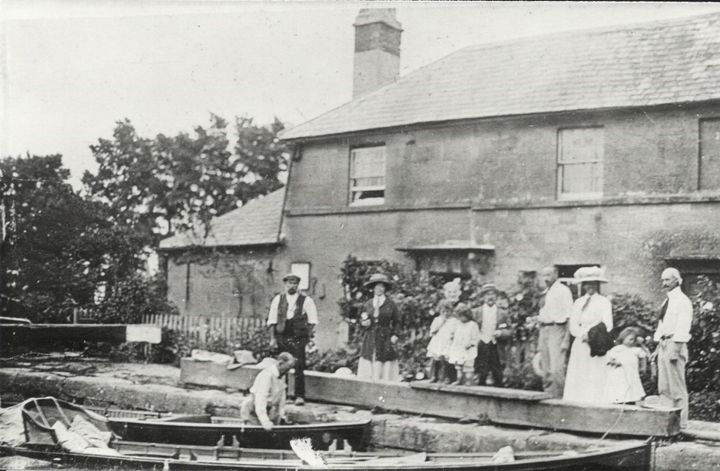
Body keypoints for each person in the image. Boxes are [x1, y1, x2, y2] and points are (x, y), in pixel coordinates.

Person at [563, 267, 613, 403]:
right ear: (583, 285)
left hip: (596, 342)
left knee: (595, 371)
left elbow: (608, 324)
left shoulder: (604, 302)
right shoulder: (578, 303)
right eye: (587, 283)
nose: (590, 286)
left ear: (597, 285)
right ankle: (576, 402)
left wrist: (591, 335)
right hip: (580, 342)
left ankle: (595, 402)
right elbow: (573, 324)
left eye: (593, 283)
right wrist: (581, 335)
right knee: (580, 372)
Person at [267, 273, 318, 406]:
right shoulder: (278, 299)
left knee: (298, 364)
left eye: (294, 283)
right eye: (289, 283)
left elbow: (313, 321)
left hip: (298, 337)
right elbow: (272, 320)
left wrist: (307, 337)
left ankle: (299, 395)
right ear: (285, 284)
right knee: (282, 365)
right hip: (282, 334)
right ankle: (283, 394)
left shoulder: (306, 300)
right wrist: (272, 339)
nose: (292, 285)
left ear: (298, 285)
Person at [651, 267, 693, 427]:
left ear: (677, 280)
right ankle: (666, 423)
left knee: (676, 386)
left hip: (675, 344)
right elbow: (662, 326)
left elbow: (683, 326)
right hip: (664, 344)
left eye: (667, 280)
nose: (664, 283)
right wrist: (657, 349)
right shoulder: (666, 301)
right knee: (664, 386)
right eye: (663, 280)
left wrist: (675, 350)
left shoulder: (683, 301)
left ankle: (680, 424)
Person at [537, 266, 574, 398]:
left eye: (549, 275)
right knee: (546, 368)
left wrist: (566, 339)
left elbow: (570, 316)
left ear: (556, 274)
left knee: (556, 368)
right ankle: (547, 397)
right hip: (544, 329)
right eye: (543, 275)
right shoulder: (547, 291)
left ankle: (559, 399)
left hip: (557, 329)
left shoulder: (563, 291)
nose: (546, 278)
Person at [357, 273, 401, 381]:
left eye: (382, 286)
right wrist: (363, 323)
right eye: (377, 286)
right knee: (369, 357)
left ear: (385, 288)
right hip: (370, 336)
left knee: (384, 359)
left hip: (385, 336)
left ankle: (383, 383)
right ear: (373, 288)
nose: (380, 289)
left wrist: (395, 334)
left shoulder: (391, 304)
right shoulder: (368, 304)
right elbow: (362, 319)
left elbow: (397, 321)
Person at [239, 352, 296, 431]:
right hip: (253, 411)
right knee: (253, 438)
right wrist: (265, 421)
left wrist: (282, 416)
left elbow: (282, 397)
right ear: (280, 363)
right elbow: (260, 400)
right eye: (287, 368)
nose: (288, 371)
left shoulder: (282, 375)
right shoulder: (267, 375)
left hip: (268, 410)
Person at [474, 284, 512, 387]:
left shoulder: (503, 313)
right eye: (487, 294)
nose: (490, 297)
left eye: (493, 294)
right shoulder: (476, 312)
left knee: (498, 372)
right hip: (481, 345)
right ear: (482, 297)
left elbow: (510, 331)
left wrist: (501, 333)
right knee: (481, 372)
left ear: (496, 296)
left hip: (496, 345)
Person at [603, 327, 649, 404]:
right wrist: (613, 362)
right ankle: (618, 400)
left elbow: (644, 356)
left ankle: (630, 400)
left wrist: (643, 367)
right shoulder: (617, 349)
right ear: (623, 337)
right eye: (630, 339)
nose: (632, 342)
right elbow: (610, 357)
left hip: (631, 372)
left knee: (632, 385)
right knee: (620, 385)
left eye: (634, 340)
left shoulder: (635, 349)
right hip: (619, 372)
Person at [448, 303, 480, 386]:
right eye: (459, 316)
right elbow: (454, 334)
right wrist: (452, 338)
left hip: (468, 348)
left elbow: (476, 337)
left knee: (468, 365)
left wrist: (471, 344)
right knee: (458, 365)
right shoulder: (457, 324)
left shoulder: (472, 325)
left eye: (463, 316)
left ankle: (469, 380)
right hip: (458, 347)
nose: (461, 318)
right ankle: (459, 380)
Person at [426, 299, 458, 383]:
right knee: (437, 358)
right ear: (440, 310)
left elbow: (456, 332)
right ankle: (435, 376)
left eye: (448, 311)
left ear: (451, 311)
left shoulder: (454, 321)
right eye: (443, 311)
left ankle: (448, 377)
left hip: (448, 342)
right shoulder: (437, 320)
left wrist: (453, 336)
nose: (445, 313)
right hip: (438, 341)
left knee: (448, 359)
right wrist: (442, 322)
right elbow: (433, 331)